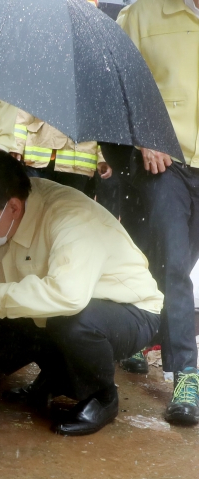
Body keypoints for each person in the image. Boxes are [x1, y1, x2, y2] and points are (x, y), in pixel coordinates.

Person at [0, 150, 162, 435]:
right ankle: (53, 378)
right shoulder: (1, 213)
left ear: (13, 208)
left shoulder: (71, 219)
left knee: (68, 320)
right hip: (67, 307)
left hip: (129, 311)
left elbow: (68, 296)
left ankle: (102, 397)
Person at [118, 0, 199, 425]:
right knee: (174, 267)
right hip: (167, 161)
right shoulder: (143, 15)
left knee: (172, 263)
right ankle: (186, 374)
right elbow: (121, 85)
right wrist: (144, 137)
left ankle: (139, 331)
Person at [12, 110, 112, 196]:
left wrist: (104, 157)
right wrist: (16, 146)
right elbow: (22, 115)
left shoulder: (94, 88)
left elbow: (102, 121)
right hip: (39, 159)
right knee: (35, 212)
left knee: (68, 214)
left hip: (76, 164)